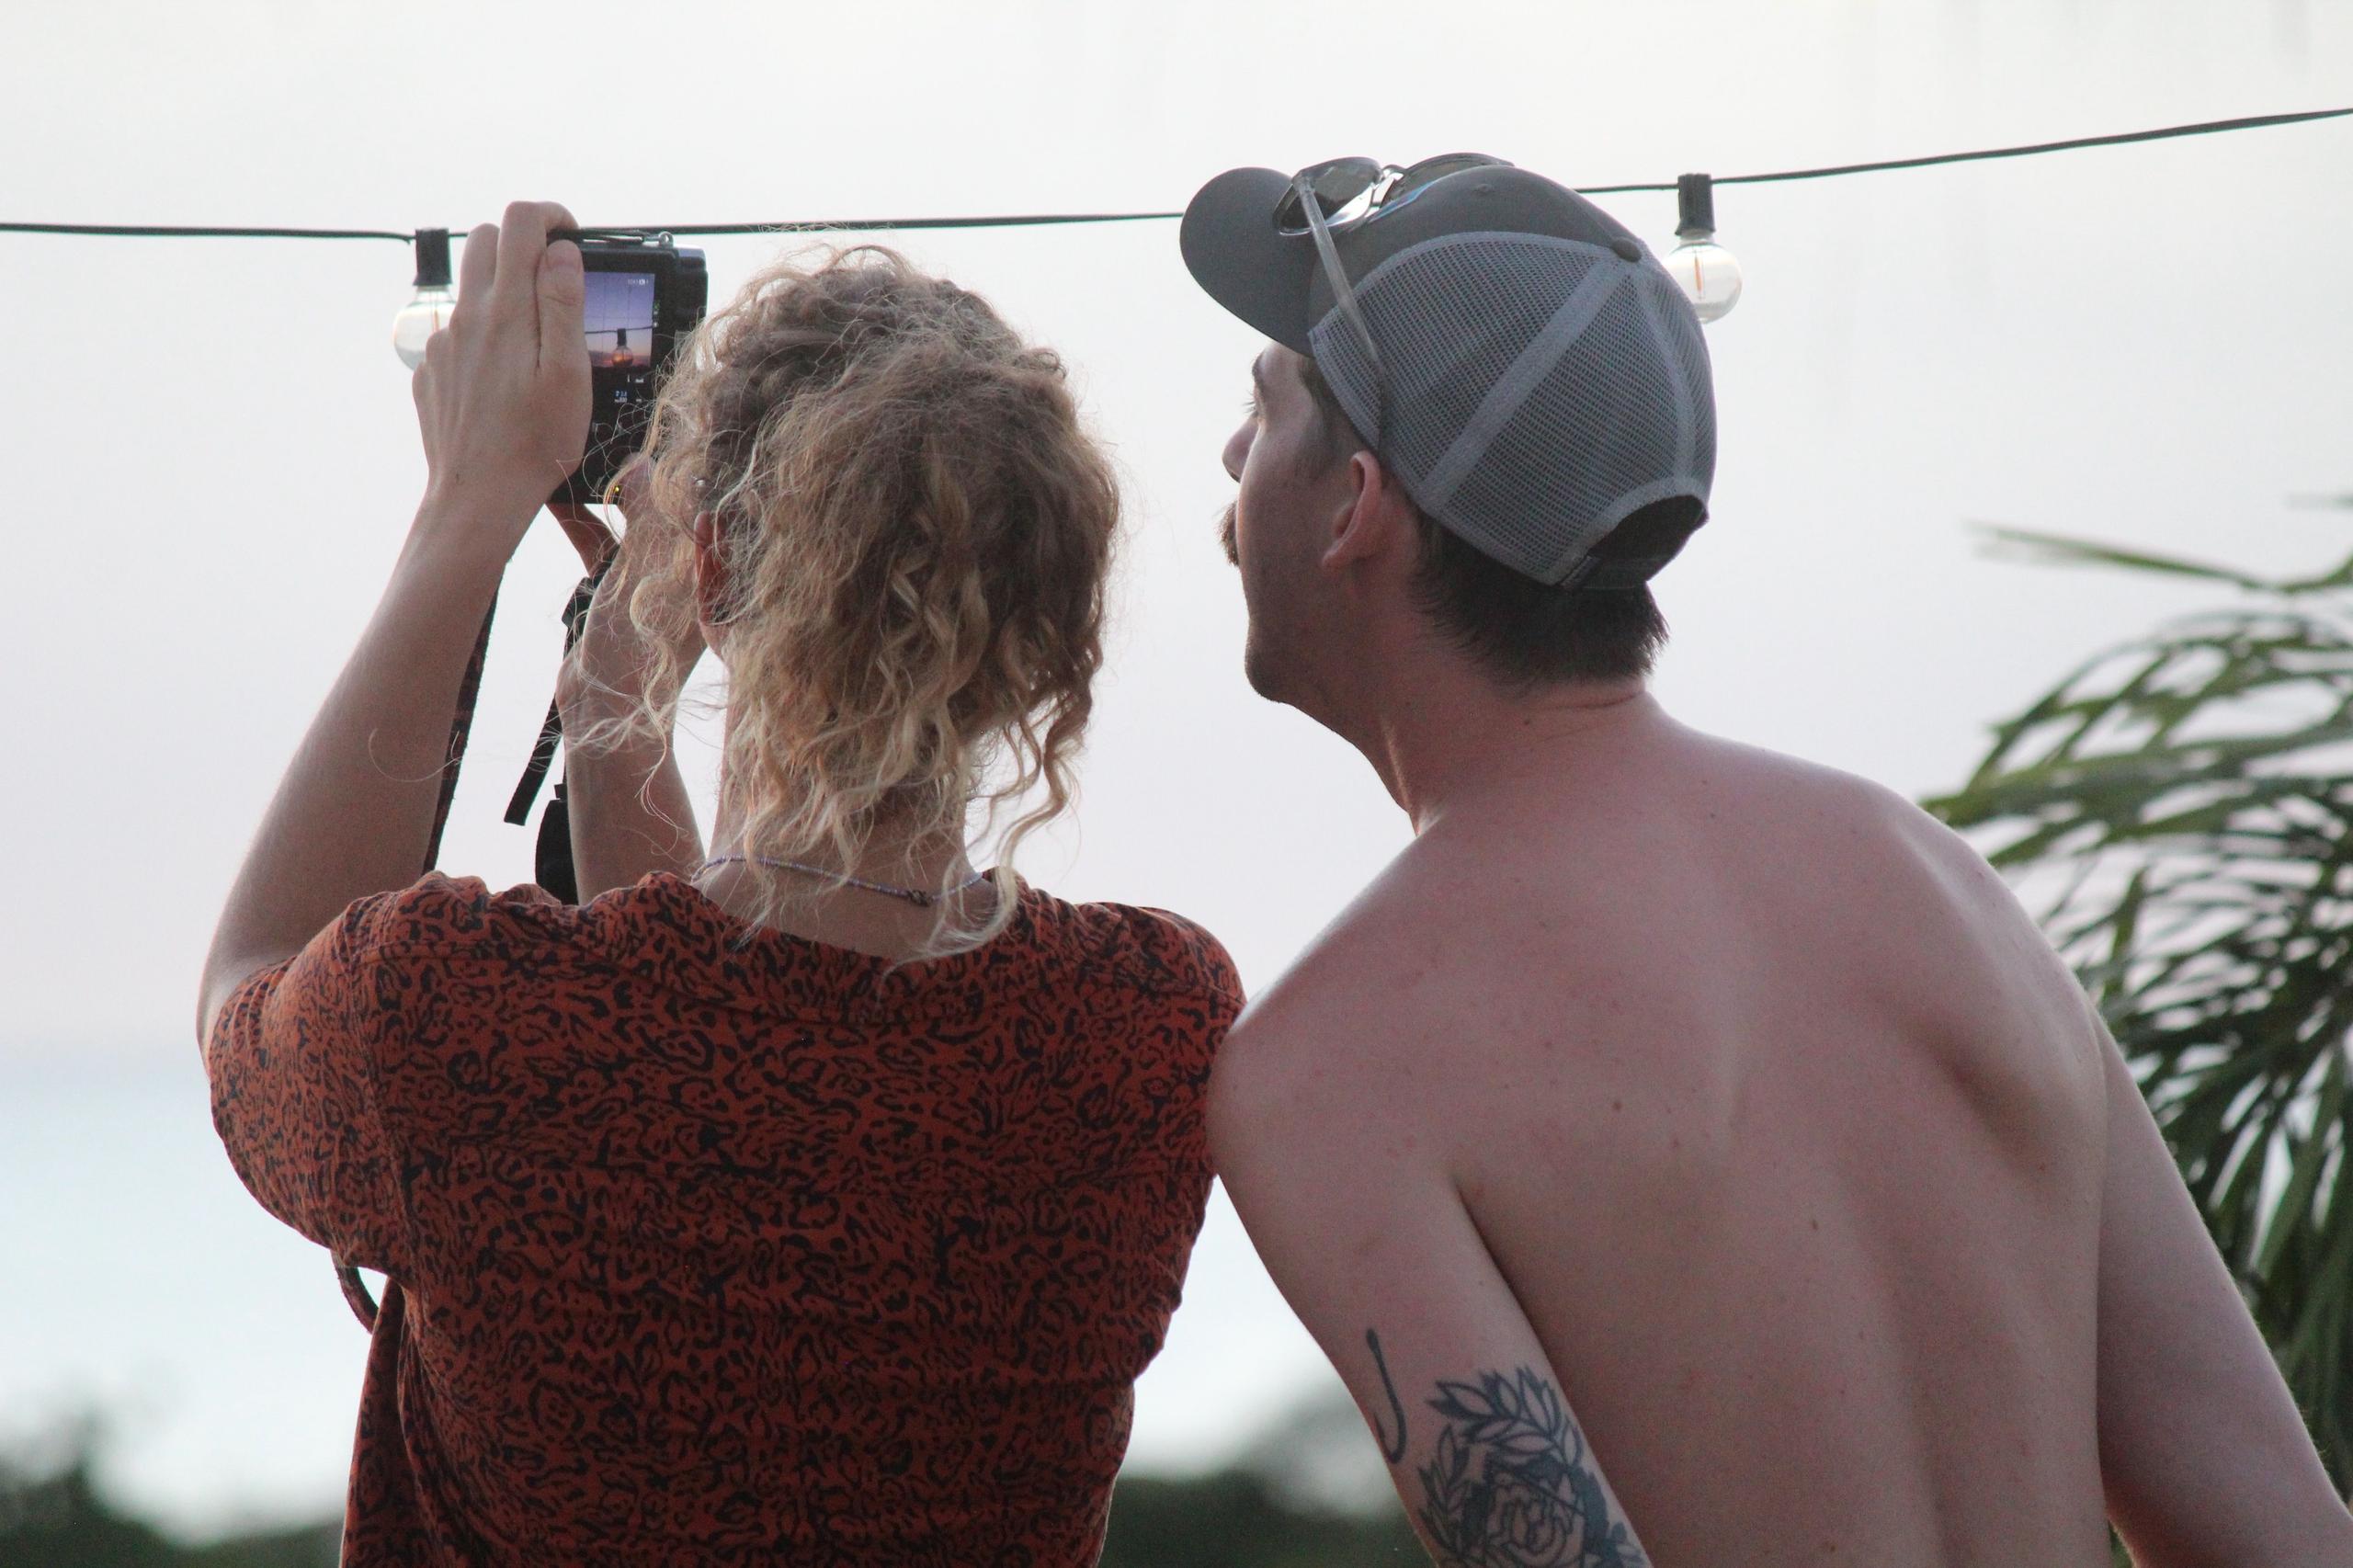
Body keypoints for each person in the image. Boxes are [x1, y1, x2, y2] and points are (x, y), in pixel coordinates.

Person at [1182, 156, 2353, 1566]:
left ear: (1355, 505)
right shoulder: (1938, 887)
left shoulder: (1334, 1067)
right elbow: (2286, 1537)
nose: (1232, 464)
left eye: (1266, 406)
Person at [198, 200, 1243, 1566]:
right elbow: (745, 1043)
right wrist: (610, 693)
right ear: (1051, 617)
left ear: (714, 565)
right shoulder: (1141, 1040)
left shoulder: (460, 1023)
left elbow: (253, 993)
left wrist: (468, 511)